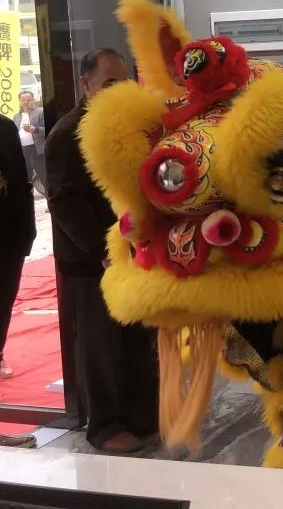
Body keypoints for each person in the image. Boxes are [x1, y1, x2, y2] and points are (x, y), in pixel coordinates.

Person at [45, 49, 157, 454]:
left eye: (124, 82)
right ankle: (104, 426)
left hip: (131, 255)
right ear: (86, 85)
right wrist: (100, 249)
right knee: (100, 345)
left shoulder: (126, 127)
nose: (119, 91)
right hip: (91, 262)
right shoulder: (67, 134)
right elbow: (63, 202)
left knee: (137, 340)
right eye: (109, 83)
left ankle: (142, 415)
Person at [0, 113, 35, 380]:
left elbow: (21, 181)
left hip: (8, 231)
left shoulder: (5, 128)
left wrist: (27, 232)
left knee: (4, 295)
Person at [15, 91, 45, 193]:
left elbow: (50, 129)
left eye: (28, 100)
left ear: (33, 100)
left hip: (37, 150)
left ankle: (50, 199)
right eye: (23, 100)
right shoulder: (17, 116)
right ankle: (29, 200)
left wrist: (36, 129)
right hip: (22, 150)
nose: (25, 102)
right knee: (26, 178)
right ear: (19, 101)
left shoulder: (41, 112)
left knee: (43, 176)